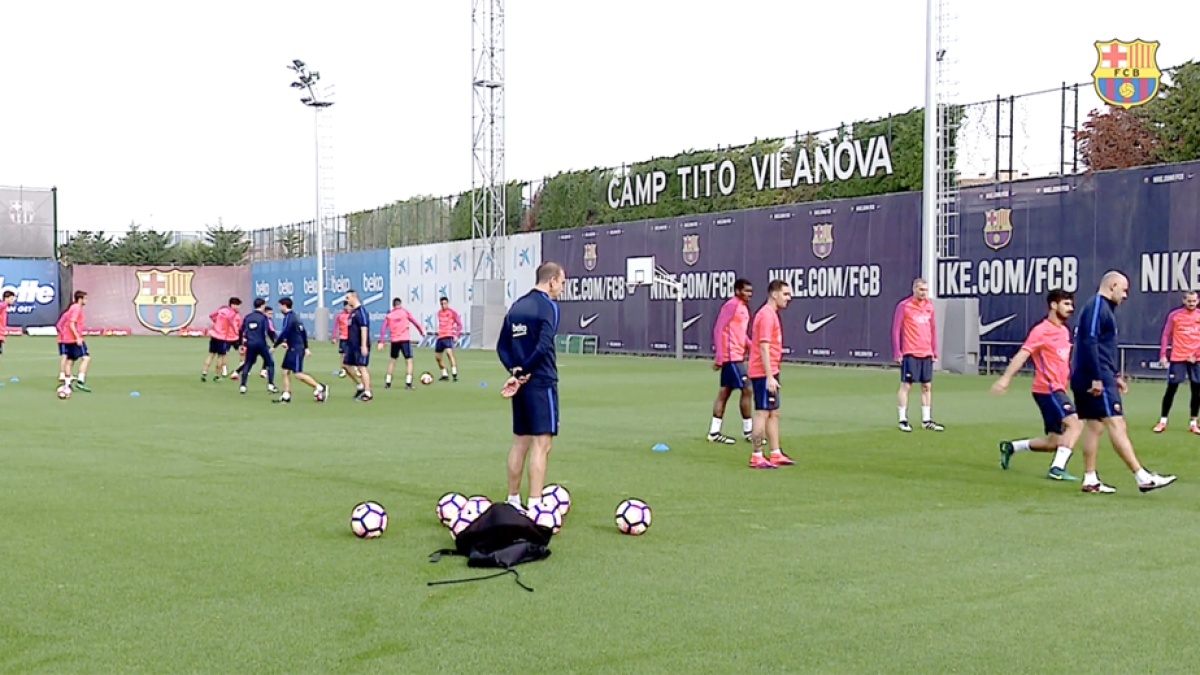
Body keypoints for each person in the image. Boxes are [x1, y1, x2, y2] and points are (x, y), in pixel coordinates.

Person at [1071, 271, 1176, 493]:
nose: (1126, 295)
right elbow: (1089, 341)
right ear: (1113, 286)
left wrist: (1115, 375)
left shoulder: (1102, 308)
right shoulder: (1098, 306)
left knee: (1095, 426)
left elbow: (1101, 345)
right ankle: (1142, 476)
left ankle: (1090, 479)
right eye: (1124, 289)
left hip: (1093, 374)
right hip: (1094, 376)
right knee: (1117, 424)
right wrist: (1098, 377)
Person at [992, 290, 1082, 481]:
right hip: (1048, 389)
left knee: (1054, 441)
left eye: (1071, 304)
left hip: (1058, 389)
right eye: (1066, 304)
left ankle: (1011, 447)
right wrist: (1005, 378)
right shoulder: (1041, 330)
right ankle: (1057, 468)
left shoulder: (1064, 331)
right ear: (1053, 305)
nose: (1070, 309)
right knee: (1075, 424)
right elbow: (1023, 354)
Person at [497, 261, 565, 512]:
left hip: (520, 383)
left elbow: (502, 346)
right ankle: (536, 505)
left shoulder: (518, 306)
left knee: (519, 443)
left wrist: (515, 371)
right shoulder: (548, 307)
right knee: (542, 444)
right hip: (541, 381)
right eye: (561, 283)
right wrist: (525, 370)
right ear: (552, 281)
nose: (561, 288)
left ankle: (513, 501)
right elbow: (544, 344)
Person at [747, 280, 795, 469]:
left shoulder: (771, 314)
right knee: (762, 412)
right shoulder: (766, 315)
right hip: (762, 372)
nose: (788, 298)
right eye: (785, 294)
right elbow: (764, 347)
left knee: (773, 412)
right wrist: (768, 376)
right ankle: (756, 454)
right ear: (774, 295)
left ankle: (775, 452)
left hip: (770, 370)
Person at [892, 278, 943, 432]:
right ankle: (903, 419)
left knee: (927, 386)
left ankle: (926, 420)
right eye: (921, 290)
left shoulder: (929, 306)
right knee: (906, 385)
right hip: (911, 351)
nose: (923, 293)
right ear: (914, 289)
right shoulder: (904, 306)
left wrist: (934, 350)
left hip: (925, 351)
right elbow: (896, 329)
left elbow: (932, 328)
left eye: (925, 290)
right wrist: (897, 350)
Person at [708, 278, 755, 444]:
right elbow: (718, 328)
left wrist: (752, 346)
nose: (749, 294)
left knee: (725, 393)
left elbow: (740, 334)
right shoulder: (731, 305)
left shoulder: (743, 308)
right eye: (746, 291)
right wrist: (720, 355)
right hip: (731, 357)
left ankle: (714, 432)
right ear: (737, 291)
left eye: (750, 291)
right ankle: (749, 432)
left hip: (737, 355)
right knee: (747, 389)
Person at [1153, 291, 1200, 434]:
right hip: (1178, 358)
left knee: (1197, 391)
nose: (1191, 303)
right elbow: (1166, 335)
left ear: (1197, 301)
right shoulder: (1175, 315)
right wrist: (1163, 355)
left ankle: (1193, 422)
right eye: (1189, 301)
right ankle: (1162, 421)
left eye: (1194, 301)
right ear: (1184, 301)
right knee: (1171, 389)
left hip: (1196, 359)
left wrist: (1196, 354)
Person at [272, 297, 327, 403]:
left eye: (280, 306)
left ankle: (320, 386)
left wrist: (275, 345)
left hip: (296, 349)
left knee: (297, 374)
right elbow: (303, 332)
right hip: (293, 347)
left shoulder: (289, 317)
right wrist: (306, 347)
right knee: (285, 370)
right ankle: (286, 394)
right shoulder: (295, 317)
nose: (279, 308)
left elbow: (285, 332)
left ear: (284, 305)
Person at [377, 297, 424, 389]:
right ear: (400, 304)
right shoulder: (404, 313)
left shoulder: (390, 315)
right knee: (409, 361)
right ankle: (408, 383)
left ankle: (388, 382)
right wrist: (421, 332)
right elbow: (414, 322)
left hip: (395, 340)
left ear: (393, 305)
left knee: (392, 361)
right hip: (404, 339)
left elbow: (383, 328)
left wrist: (381, 341)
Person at [238, 298, 278, 395]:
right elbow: (268, 331)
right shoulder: (264, 318)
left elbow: (240, 331)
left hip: (250, 344)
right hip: (261, 344)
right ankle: (270, 384)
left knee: (248, 363)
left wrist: (240, 343)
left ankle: (243, 385)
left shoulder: (248, 317)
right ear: (262, 306)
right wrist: (275, 342)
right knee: (270, 363)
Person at [56, 290, 91, 392]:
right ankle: (80, 381)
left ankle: (67, 384)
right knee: (86, 358)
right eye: (85, 299)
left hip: (67, 339)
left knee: (70, 360)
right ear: (80, 299)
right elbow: (72, 323)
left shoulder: (72, 307)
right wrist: (77, 337)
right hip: (73, 339)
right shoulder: (76, 308)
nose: (86, 301)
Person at [202, 297, 242, 382]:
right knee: (220, 356)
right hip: (222, 336)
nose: (238, 307)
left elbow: (211, 316)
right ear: (233, 305)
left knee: (211, 354)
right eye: (237, 305)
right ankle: (216, 375)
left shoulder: (222, 309)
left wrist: (216, 322)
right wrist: (237, 332)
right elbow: (232, 324)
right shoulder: (232, 313)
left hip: (214, 334)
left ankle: (204, 372)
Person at [343, 290, 373, 401]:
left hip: (360, 345)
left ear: (354, 297)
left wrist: (364, 345)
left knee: (362, 367)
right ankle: (360, 386)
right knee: (346, 366)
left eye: (348, 297)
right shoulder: (352, 312)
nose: (346, 300)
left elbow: (364, 328)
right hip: (351, 345)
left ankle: (368, 392)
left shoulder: (361, 312)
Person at [435, 297, 463, 381]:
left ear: (447, 303)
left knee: (449, 353)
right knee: (437, 357)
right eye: (442, 304)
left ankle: (454, 373)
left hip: (448, 336)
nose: (443, 306)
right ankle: (444, 374)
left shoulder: (452, 312)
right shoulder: (439, 313)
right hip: (440, 336)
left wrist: (456, 335)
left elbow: (459, 325)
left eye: (445, 304)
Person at [333, 301, 350, 378]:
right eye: (347, 306)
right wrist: (334, 337)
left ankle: (356, 369)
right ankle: (343, 370)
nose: (349, 308)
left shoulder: (352, 315)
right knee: (342, 354)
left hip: (351, 338)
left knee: (353, 354)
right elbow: (335, 326)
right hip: (343, 337)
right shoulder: (341, 316)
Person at [0, 290, 13, 371]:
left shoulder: (4, 307)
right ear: (6, 298)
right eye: (11, 298)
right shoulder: (2, 306)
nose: (13, 300)